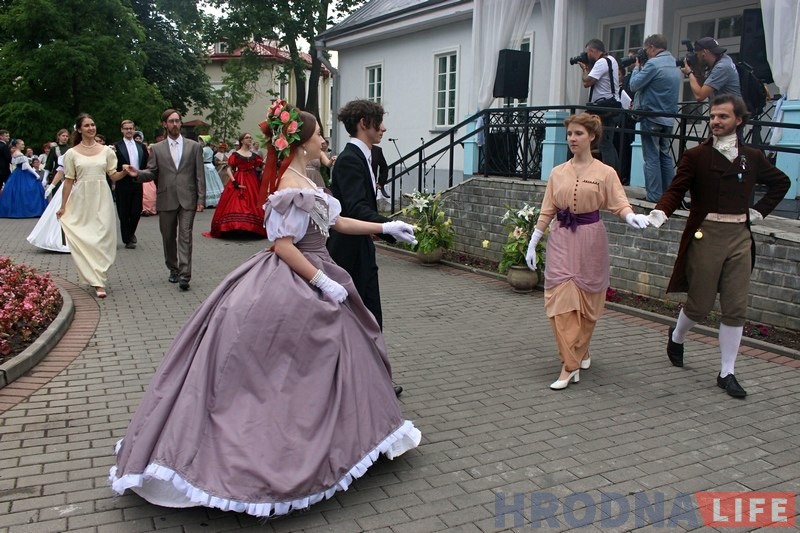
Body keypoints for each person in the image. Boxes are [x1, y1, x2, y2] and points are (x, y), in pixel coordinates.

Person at [109, 104, 421, 518]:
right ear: (300, 142)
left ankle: (347, 437)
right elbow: (284, 245)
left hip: (314, 267)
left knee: (340, 352)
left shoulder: (306, 177)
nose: (324, 140)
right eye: (317, 135)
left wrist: (385, 228)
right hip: (295, 279)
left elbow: (337, 221)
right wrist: (322, 281)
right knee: (287, 370)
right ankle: (276, 447)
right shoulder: (289, 184)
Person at [646, 95, 789, 398]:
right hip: (706, 234)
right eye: (712, 116)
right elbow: (676, 189)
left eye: (723, 116)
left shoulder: (752, 156)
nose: (715, 121)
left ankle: (727, 372)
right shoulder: (696, 155)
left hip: (739, 236)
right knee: (699, 304)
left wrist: (759, 211)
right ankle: (677, 335)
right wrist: (660, 213)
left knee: (736, 306)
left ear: (738, 120)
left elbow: (781, 182)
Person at [525, 113, 649, 390]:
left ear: (591, 137)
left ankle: (580, 350)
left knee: (589, 305)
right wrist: (533, 241)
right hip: (561, 238)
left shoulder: (605, 173)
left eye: (578, 133)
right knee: (559, 304)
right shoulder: (557, 172)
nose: (572, 138)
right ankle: (569, 365)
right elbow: (548, 209)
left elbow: (619, 203)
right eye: (569, 134)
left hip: (591, 240)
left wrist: (631, 217)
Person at [326, 100, 405, 396]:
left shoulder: (365, 156)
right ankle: (365, 382)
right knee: (363, 316)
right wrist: (388, 228)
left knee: (369, 315)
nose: (383, 128)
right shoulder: (349, 159)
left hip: (360, 247)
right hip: (348, 251)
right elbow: (355, 209)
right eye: (378, 121)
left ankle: (371, 377)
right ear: (363, 122)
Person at [125, 109, 205, 292]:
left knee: (185, 236)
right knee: (168, 237)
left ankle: (185, 275)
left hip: (188, 199)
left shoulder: (194, 146)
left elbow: (199, 174)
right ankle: (173, 268)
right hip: (166, 197)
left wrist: (201, 198)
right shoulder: (157, 149)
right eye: (171, 121)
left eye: (177, 121)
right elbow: (152, 171)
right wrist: (137, 173)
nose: (175, 124)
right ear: (165, 124)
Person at [56, 114, 130, 298]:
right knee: (85, 237)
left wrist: (124, 172)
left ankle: (99, 274)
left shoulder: (106, 151)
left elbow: (112, 175)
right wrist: (63, 206)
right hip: (82, 199)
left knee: (103, 236)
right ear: (79, 129)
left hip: (102, 197)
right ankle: (97, 282)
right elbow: (68, 181)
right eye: (87, 125)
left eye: (93, 124)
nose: (91, 128)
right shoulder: (72, 154)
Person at [629, 34, 682, 202]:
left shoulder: (653, 64)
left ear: (652, 47)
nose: (646, 53)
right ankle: (669, 194)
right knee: (665, 155)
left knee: (651, 157)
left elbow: (634, 85)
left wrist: (637, 67)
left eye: (646, 49)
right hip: (668, 117)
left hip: (651, 116)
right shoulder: (674, 62)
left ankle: (653, 196)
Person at [206, 132, 265, 238]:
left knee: (252, 202)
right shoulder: (235, 154)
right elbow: (229, 167)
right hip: (239, 178)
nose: (249, 139)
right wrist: (234, 181)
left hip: (252, 181)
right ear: (242, 140)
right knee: (237, 202)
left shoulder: (255, 156)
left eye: (250, 137)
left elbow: (262, 165)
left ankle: (251, 228)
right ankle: (234, 227)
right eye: (247, 137)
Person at [578, 39, 621, 172]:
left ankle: (610, 175)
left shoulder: (602, 62)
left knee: (605, 144)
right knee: (607, 143)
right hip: (611, 106)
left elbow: (587, 82)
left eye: (587, 53)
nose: (586, 56)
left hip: (604, 108)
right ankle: (614, 174)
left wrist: (585, 68)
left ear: (592, 51)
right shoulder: (611, 60)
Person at [113, 120, 149, 249]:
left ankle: (131, 232)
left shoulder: (141, 146)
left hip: (137, 181)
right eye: (126, 129)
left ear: (134, 129)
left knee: (136, 211)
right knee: (124, 212)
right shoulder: (117, 146)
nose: (128, 131)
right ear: (122, 130)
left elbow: (145, 163)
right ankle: (127, 238)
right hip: (123, 181)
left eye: (131, 128)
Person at [28, 155, 70, 253]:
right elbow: (60, 172)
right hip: (68, 186)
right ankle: (62, 241)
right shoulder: (68, 155)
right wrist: (52, 185)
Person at [681, 37, 741, 101]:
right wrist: (697, 69)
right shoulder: (723, 59)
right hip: (725, 107)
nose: (697, 58)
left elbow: (699, 96)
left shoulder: (721, 67)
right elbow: (703, 87)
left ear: (704, 52)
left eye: (697, 54)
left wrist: (689, 73)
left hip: (730, 109)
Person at [0, 139, 49, 218]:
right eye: (22, 144)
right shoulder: (19, 153)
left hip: (17, 173)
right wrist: (36, 174)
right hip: (23, 173)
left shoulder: (14, 153)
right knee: (32, 189)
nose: (23, 145)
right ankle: (29, 210)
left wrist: (28, 159)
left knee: (17, 192)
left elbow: (18, 163)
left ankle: (16, 209)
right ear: (17, 145)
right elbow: (25, 166)